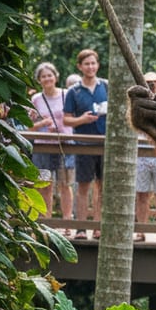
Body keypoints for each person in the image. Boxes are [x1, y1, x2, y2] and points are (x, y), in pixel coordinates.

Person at [62, 48, 107, 240]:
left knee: (102, 187)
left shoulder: (106, 86)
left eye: (93, 63)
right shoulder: (74, 91)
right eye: (86, 64)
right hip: (83, 144)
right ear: (80, 67)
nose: (90, 67)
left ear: (98, 65)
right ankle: (80, 227)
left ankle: (98, 227)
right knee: (83, 186)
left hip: (105, 144)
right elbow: (67, 120)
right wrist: (82, 119)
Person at [29, 61, 74, 230]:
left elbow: (73, 118)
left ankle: (67, 222)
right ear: (39, 80)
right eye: (43, 76)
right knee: (45, 185)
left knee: (65, 184)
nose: (47, 78)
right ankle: (45, 223)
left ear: (56, 77)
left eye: (50, 75)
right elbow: (29, 126)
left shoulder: (67, 94)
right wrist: (43, 124)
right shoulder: (36, 99)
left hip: (65, 144)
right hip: (43, 146)